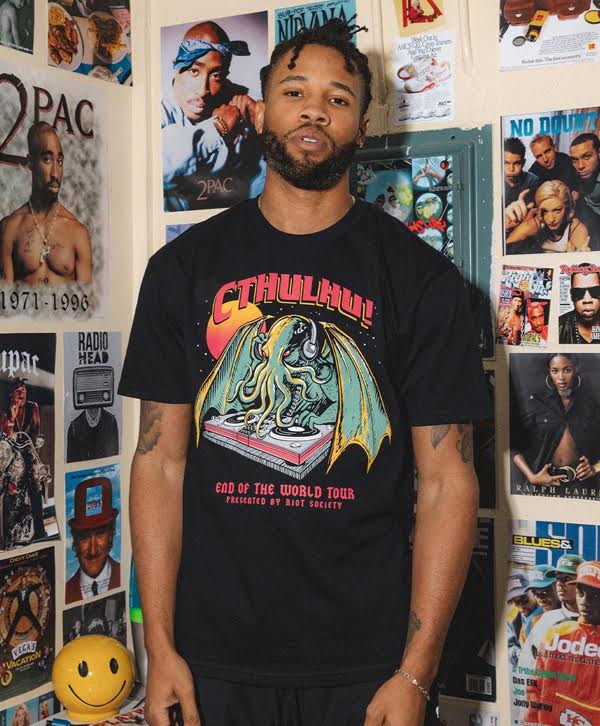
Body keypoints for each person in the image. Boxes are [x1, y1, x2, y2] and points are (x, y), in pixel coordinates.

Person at [120, 19, 490, 726]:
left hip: (367, 664)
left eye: (337, 98)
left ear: (363, 126)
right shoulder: (181, 270)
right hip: (210, 659)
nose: (314, 110)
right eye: (295, 91)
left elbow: (448, 482)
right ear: (262, 109)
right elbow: (159, 463)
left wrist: (416, 674)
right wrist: (158, 646)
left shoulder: (421, 280)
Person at [161, 20, 265, 211]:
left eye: (215, 76)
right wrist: (218, 128)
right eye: (194, 71)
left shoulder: (239, 98)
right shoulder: (156, 106)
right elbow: (157, 167)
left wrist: (266, 125)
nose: (203, 90)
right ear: (177, 67)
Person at [0, 122, 92, 286]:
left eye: (60, 161)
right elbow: (4, 299)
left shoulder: (78, 233)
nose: (55, 173)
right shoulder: (9, 229)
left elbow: (85, 300)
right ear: (31, 162)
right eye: (47, 159)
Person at [511, 353, 600, 495]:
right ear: (549, 372)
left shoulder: (590, 403)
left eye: (567, 370)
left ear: (575, 370)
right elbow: (514, 446)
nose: (561, 377)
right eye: (555, 371)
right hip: (543, 482)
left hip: (581, 484)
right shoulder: (537, 402)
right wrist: (532, 477)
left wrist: (595, 468)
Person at [525, 560, 600, 725]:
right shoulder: (555, 632)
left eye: (595, 595)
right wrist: (530, 721)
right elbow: (535, 688)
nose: (585, 601)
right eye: (580, 592)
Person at [517, 554, 582, 673]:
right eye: (536, 594)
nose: (541, 599)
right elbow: (526, 665)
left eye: (545, 592)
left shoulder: (591, 617)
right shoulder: (538, 621)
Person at [1, 378, 46, 541]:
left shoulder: (33, 407)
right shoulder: (6, 410)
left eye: (24, 390)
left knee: (35, 484)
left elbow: (36, 430)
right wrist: (12, 416)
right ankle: (7, 534)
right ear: (11, 394)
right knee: (8, 487)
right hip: (12, 455)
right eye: (18, 391)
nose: (22, 394)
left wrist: (32, 447)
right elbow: (6, 435)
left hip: (28, 450)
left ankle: (40, 531)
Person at [65, 476, 120, 604]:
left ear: (111, 535)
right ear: (75, 541)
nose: (93, 550)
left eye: (100, 534)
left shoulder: (127, 576)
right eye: (84, 537)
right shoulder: (65, 593)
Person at [506, 180, 590, 253]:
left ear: (567, 209)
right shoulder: (533, 222)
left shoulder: (575, 228)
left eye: (557, 210)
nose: (551, 219)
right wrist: (511, 229)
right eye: (545, 211)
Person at [504, 137, 540, 237]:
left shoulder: (533, 180)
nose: (511, 169)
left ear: (523, 163)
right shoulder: (494, 182)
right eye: (506, 163)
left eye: (516, 163)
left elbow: (532, 214)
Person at [507, 570, 543, 666]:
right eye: (515, 602)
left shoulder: (549, 608)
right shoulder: (512, 619)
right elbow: (508, 647)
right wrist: (516, 654)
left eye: (524, 599)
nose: (521, 607)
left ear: (533, 591)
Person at [559, 263, 600, 343]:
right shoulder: (559, 327)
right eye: (578, 292)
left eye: (595, 291)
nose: (587, 300)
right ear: (571, 296)